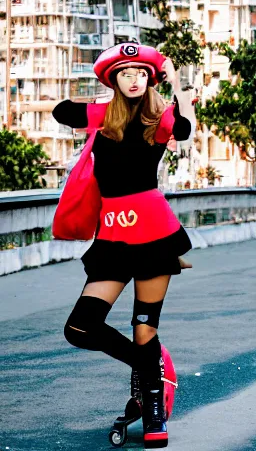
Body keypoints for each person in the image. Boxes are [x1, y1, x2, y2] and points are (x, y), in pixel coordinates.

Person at [52, 43, 195, 448]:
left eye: (141, 73)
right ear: (114, 80)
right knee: (80, 327)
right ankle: (154, 366)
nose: (134, 79)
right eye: (124, 73)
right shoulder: (104, 116)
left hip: (154, 232)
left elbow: (185, 129)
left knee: (143, 328)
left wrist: (177, 81)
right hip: (113, 235)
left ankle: (154, 415)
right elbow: (62, 111)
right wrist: (99, 99)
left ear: (152, 78)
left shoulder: (160, 117)